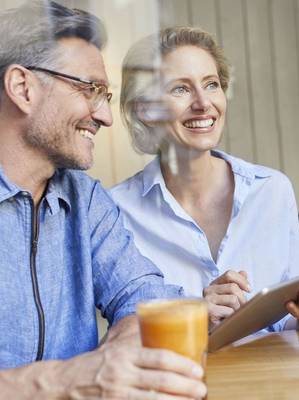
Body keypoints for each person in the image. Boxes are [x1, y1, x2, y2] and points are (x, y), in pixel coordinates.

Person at [0, 3, 207, 399]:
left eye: (105, 95)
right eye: (90, 89)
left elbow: (143, 297)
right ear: (23, 88)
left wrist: (120, 355)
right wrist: (66, 381)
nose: (105, 117)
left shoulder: (85, 198)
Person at [110, 26, 299, 331]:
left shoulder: (273, 191)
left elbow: (292, 323)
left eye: (211, 84)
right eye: (180, 89)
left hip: (272, 378)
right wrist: (193, 313)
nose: (202, 103)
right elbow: (118, 336)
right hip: (173, 379)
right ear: (145, 109)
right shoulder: (115, 212)